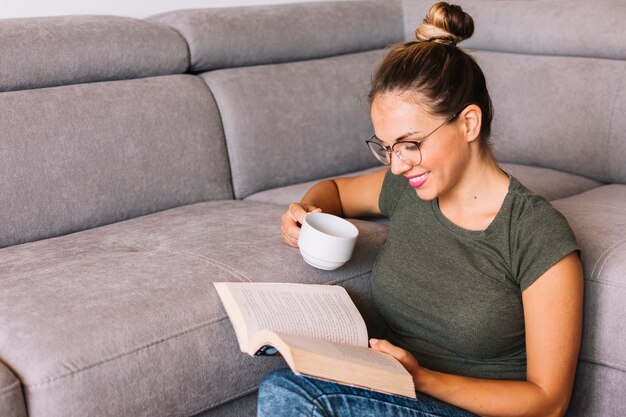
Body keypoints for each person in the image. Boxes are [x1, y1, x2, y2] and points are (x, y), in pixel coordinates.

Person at [258, 2, 584, 416]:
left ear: (468, 123)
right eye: (387, 147)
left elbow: (549, 403)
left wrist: (420, 377)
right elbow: (336, 191)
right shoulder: (408, 188)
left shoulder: (535, 234)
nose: (397, 165)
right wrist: (306, 212)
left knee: (291, 394)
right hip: (402, 394)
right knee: (286, 384)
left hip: (471, 407)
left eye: (410, 144)